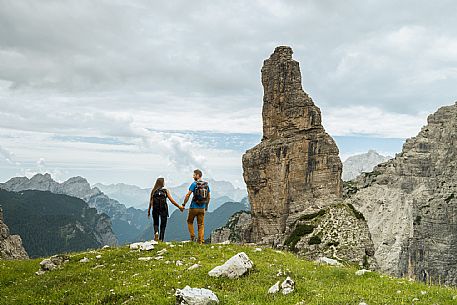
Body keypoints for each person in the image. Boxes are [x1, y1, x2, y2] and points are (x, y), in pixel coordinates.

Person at [148, 177, 184, 242]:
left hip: (155, 209)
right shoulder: (165, 191)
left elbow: (151, 202)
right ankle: (161, 239)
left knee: (156, 223)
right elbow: (172, 201)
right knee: (163, 225)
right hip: (163, 209)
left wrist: (149, 211)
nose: (164, 183)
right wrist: (179, 206)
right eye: (164, 182)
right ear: (162, 183)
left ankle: (156, 232)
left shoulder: (153, 191)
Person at [182, 169, 211, 244]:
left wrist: (184, 204)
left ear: (198, 175)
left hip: (193, 207)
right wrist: (206, 206)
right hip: (202, 208)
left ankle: (192, 237)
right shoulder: (206, 185)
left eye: (194, 175)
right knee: (201, 224)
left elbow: (188, 195)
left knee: (189, 222)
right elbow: (209, 197)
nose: (193, 176)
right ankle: (200, 241)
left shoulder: (194, 184)